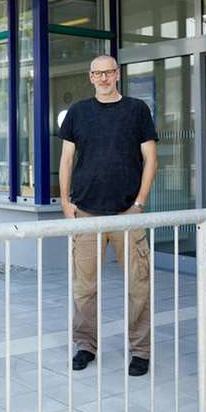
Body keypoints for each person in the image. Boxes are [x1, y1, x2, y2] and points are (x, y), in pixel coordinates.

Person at [59, 55, 158, 377]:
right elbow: (66, 160)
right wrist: (65, 203)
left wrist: (140, 203)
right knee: (84, 289)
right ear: (90, 77)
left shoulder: (136, 110)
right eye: (97, 73)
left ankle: (140, 351)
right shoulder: (78, 112)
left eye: (108, 72)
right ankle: (85, 345)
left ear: (117, 74)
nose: (103, 78)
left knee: (138, 287)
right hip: (87, 213)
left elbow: (151, 159)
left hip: (128, 213)